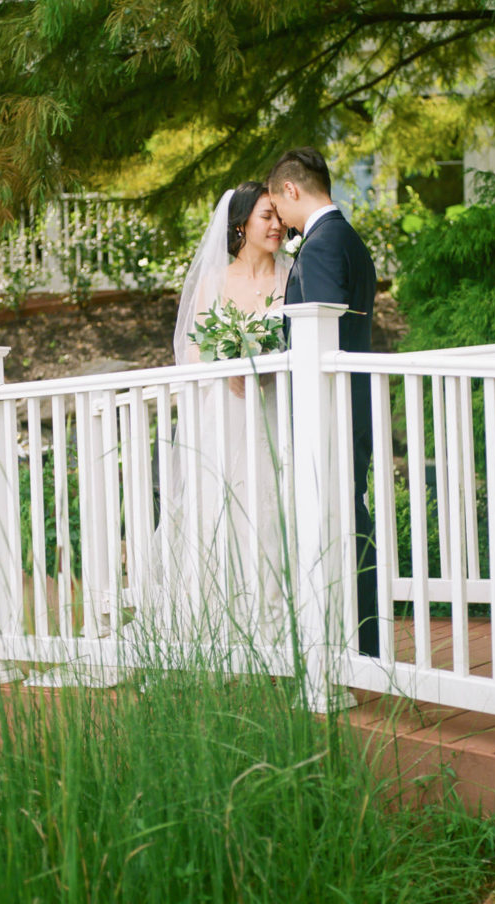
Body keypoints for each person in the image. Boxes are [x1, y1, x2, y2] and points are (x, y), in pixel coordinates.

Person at [165, 181, 292, 637]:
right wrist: (227, 365)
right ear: (241, 224)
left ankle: (276, 628)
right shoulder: (216, 279)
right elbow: (193, 349)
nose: (277, 225)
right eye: (266, 217)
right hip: (227, 410)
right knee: (221, 508)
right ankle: (218, 627)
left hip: (276, 408)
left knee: (273, 509)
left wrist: (273, 365)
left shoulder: (290, 275)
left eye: (279, 216)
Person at [267, 147, 379, 657]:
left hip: (329, 404)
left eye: (277, 203)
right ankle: (359, 635)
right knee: (349, 510)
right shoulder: (348, 239)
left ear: (292, 189)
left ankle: (358, 640)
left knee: (341, 516)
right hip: (352, 398)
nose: (281, 220)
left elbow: (322, 334)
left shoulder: (319, 247)